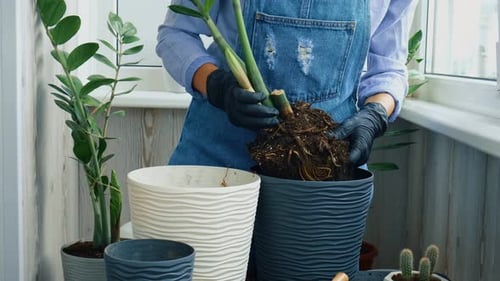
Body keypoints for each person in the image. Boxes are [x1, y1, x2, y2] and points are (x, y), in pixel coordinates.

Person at [156, 0, 418, 172]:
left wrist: (375, 114)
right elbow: (175, 34)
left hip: (322, 169)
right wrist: (217, 86)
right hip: (218, 160)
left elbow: (389, 65)